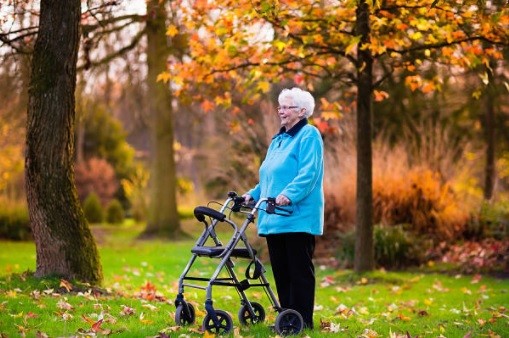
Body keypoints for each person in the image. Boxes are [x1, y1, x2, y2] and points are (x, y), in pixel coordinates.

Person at [243, 87, 324, 329]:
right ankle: (288, 320)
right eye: (280, 106)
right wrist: (252, 194)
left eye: (286, 107)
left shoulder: (309, 135)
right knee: (281, 272)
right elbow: (268, 178)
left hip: (298, 217)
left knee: (299, 272)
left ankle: (303, 322)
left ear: (302, 111)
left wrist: (288, 194)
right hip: (274, 217)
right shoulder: (278, 140)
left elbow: (309, 173)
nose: (281, 111)